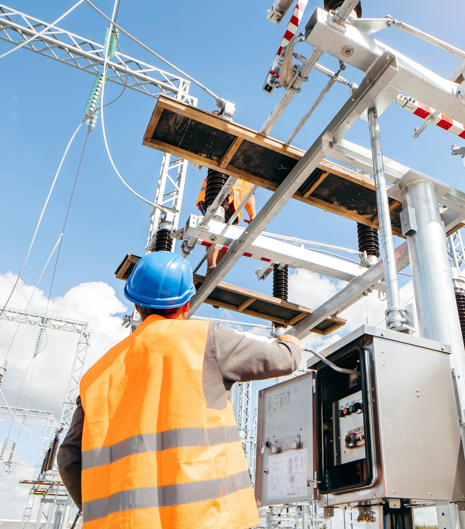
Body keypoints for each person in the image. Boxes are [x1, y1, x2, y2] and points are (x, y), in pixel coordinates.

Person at [57, 252, 301, 529]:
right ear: (186, 303)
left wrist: (103, 513)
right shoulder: (207, 341)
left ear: (137, 306)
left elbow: (68, 458)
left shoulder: (97, 375)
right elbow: (285, 360)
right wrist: (289, 340)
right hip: (205, 520)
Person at [197, 169, 256, 270]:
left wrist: (253, 216)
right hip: (213, 195)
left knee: (226, 237)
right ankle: (211, 266)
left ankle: (215, 270)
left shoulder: (248, 176)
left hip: (233, 206)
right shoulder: (236, 160)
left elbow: (248, 194)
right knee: (216, 226)